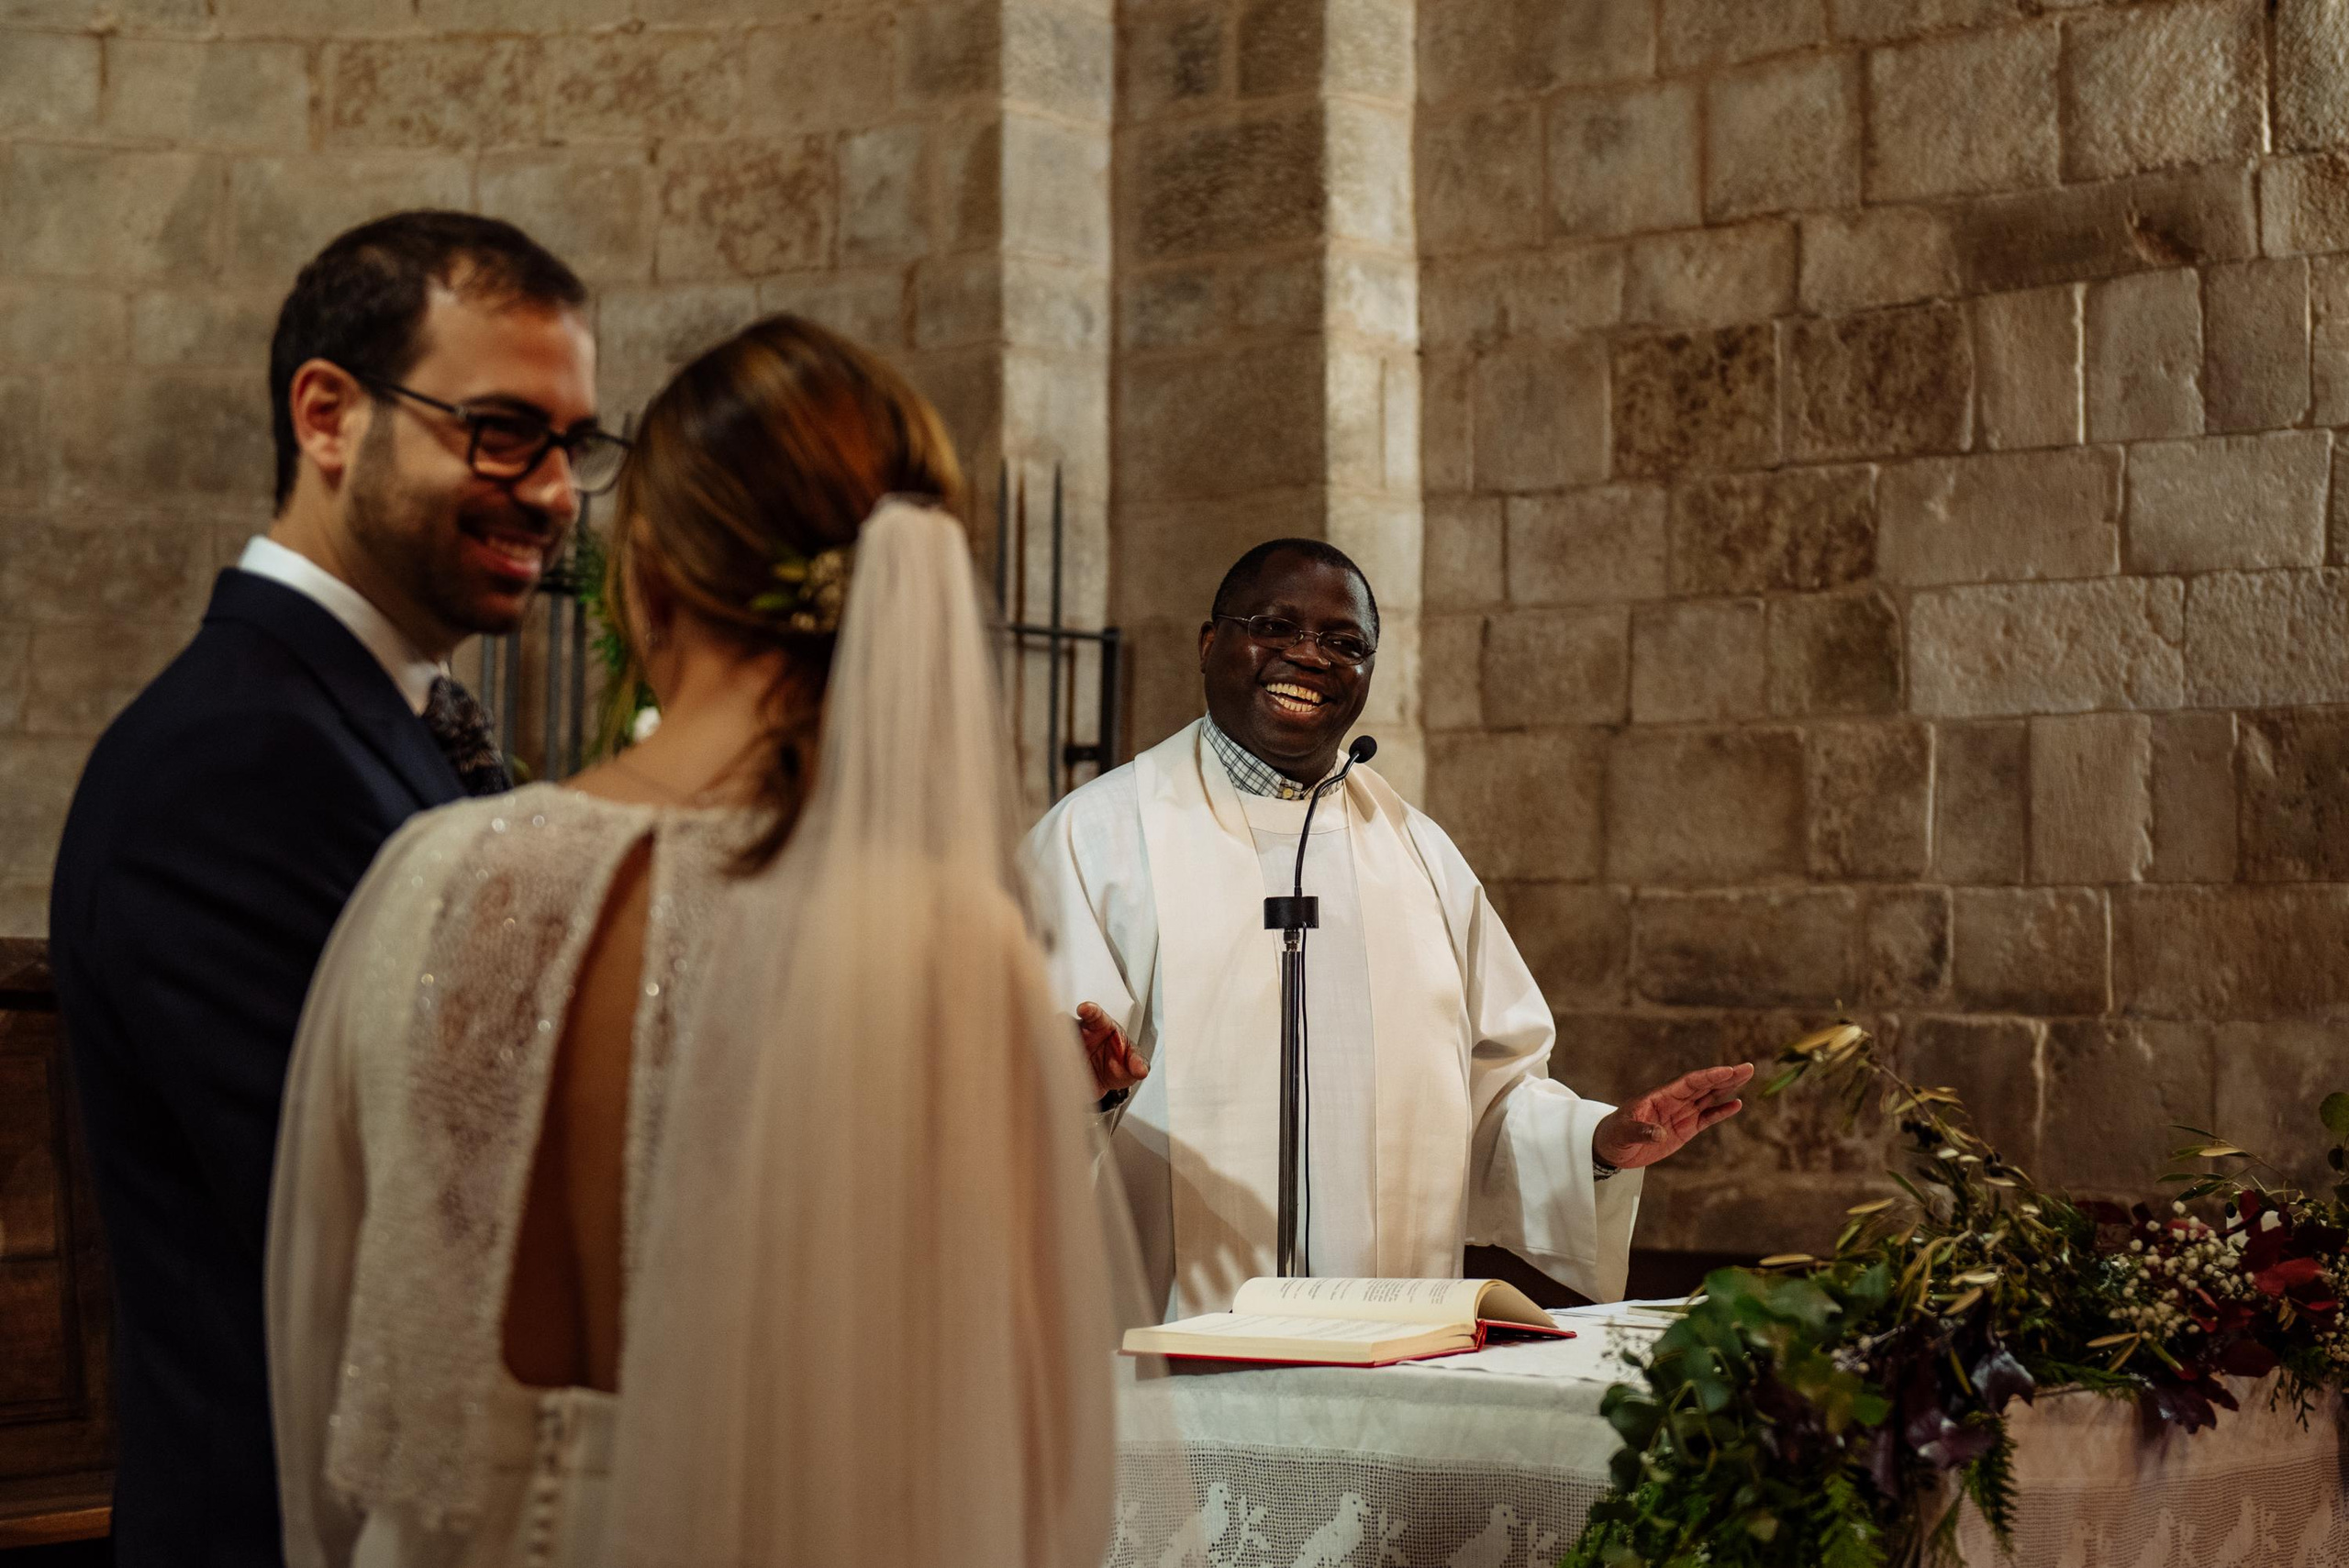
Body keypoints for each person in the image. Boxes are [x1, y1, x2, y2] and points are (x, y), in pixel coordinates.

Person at [266, 316, 1128, 1568]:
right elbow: (1029, 1462)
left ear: (650, 566)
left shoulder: (433, 875)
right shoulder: (935, 944)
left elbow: (324, 1347)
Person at [49, 210, 612, 1567]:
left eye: (573, 443)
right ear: (327, 415)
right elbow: (402, 1225)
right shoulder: (235, 756)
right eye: (500, 431)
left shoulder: (387, 722)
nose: (553, 491)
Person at [1024, 539, 1754, 1319]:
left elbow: (1492, 1101)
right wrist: (1076, 1086)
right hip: (1166, 1359)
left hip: (1386, 1352)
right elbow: (1000, 1113)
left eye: (1344, 643)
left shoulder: (1419, 854)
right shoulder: (1096, 840)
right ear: (1211, 644)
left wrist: (1601, 1147)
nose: (1308, 658)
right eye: (1275, 626)